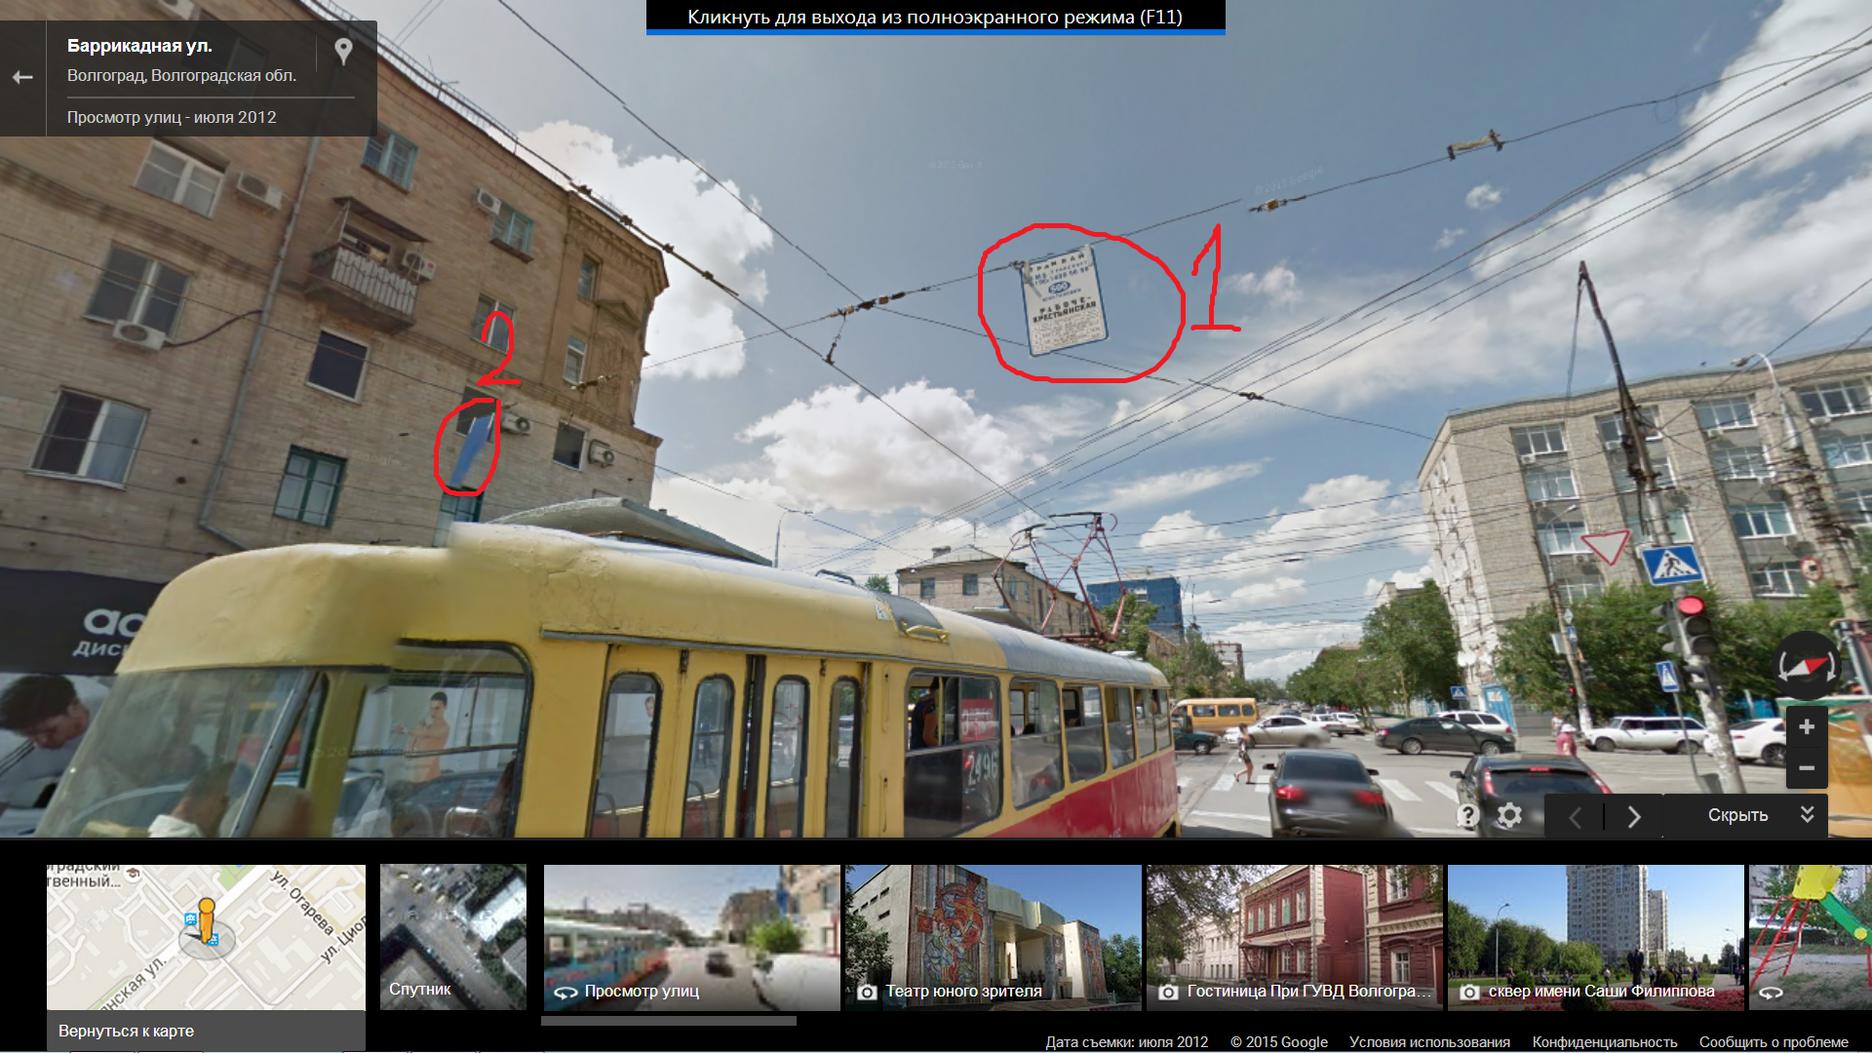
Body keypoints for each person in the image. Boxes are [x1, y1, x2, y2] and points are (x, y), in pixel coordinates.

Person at [0, 674, 97, 809]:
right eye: (29, 734)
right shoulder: (23, 760)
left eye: (50, 730)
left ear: (74, 707)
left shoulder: (117, 706)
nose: (41, 742)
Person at [392, 692, 452, 782]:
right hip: (414, 774)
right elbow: (412, 742)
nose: (433, 712)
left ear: (445, 707)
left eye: (437, 708)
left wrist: (405, 730)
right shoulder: (423, 723)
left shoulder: (444, 728)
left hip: (430, 776)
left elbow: (427, 733)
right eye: (431, 708)